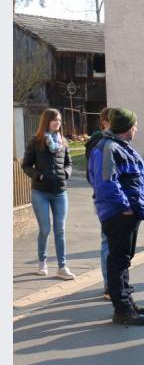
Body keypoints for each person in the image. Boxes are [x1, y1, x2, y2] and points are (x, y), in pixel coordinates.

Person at [87, 108, 144, 325]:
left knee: (124, 260)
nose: (137, 128)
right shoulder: (108, 148)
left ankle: (127, 301)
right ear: (126, 127)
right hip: (119, 215)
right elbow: (106, 183)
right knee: (117, 261)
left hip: (129, 214)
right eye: (134, 125)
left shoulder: (121, 147)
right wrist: (125, 207)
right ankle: (122, 310)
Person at [23, 109, 76, 280]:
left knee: (60, 229)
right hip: (40, 192)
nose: (57, 122)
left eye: (59, 120)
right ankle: (42, 262)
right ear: (46, 121)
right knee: (45, 229)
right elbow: (26, 165)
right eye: (54, 120)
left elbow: (69, 163)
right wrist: (38, 175)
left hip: (60, 192)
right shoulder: (36, 142)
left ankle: (62, 267)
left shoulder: (63, 142)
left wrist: (66, 173)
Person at [84, 108, 113, 298]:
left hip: (104, 198)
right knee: (108, 241)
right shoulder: (99, 143)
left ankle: (114, 283)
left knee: (111, 242)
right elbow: (94, 174)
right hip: (105, 199)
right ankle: (109, 285)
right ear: (104, 123)